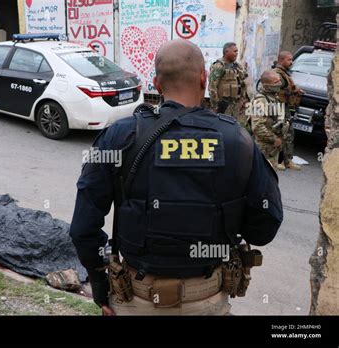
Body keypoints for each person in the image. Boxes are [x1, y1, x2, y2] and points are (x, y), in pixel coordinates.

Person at [70, 39, 283, 316]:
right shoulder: (238, 140)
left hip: (136, 299)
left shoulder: (117, 136)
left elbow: (82, 229)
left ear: (157, 84)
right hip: (207, 300)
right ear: (204, 79)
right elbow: (265, 227)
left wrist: (101, 288)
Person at [250, 70, 287, 170]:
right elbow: (257, 127)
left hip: (272, 148)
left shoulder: (273, 96)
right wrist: (274, 139)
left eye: (279, 81)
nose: (279, 84)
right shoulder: (260, 100)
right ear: (267, 85)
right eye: (276, 82)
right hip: (263, 148)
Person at [273, 51, 303, 170]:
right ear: (281, 60)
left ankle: (287, 160)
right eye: (289, 60)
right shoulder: (276, 74)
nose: (291, 62)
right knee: (280, 132)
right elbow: (273, 90)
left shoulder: (284, 73)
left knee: (289, 132)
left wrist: (295, 91)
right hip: (278, 106)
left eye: (291, 59)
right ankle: (276, 160)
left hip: (284, 106)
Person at [209, 42, 250, 128]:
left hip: (237, 104)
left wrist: (244, 100)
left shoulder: (237, 66)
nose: (237, 53)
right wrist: (215, 106)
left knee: (238, 127)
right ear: (226, 51)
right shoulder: (219, 66)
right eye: (234, 51)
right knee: (224, 127)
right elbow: (212, 87)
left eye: (237, 51)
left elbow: (242, 82)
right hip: (224, 105)